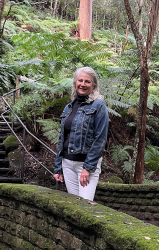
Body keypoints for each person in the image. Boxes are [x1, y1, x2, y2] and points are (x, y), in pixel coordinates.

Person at [53, 67, 109, 201]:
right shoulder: (69, 107)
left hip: (85, 164)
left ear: (93, 85)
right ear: (75, 83)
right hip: (67, 164)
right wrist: (58, 167)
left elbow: (100, 139)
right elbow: (62, 138)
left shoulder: (99, 106)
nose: (83, 84)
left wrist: (87, 168)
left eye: (87, 82)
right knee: (74, 206)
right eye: (80, 80)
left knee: (85, 206)